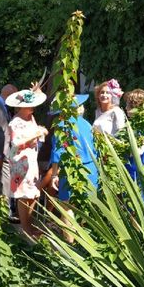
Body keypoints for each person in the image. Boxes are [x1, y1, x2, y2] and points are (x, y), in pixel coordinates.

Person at [48, 94, 98, 243]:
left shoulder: (62, 126)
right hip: (90, 169)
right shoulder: (88, 125)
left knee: (67, 206)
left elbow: (57, 153)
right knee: (88, 205)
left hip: (71, 169)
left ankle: (70, 242)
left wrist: (54, 175)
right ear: (78, 108)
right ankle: (88, 241)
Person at [4, 88, 49, 238]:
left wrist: (38, 91)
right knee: (24, 195)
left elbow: (35, 132)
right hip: (21, 162)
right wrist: (35, 134)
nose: (33, 106)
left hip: (31, 160)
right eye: (30, 104)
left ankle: (29, 225)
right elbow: (16, 142)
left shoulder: (30, 117)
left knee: (33, 193)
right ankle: (26, 228)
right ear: (21, 106)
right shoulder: (15, 122)